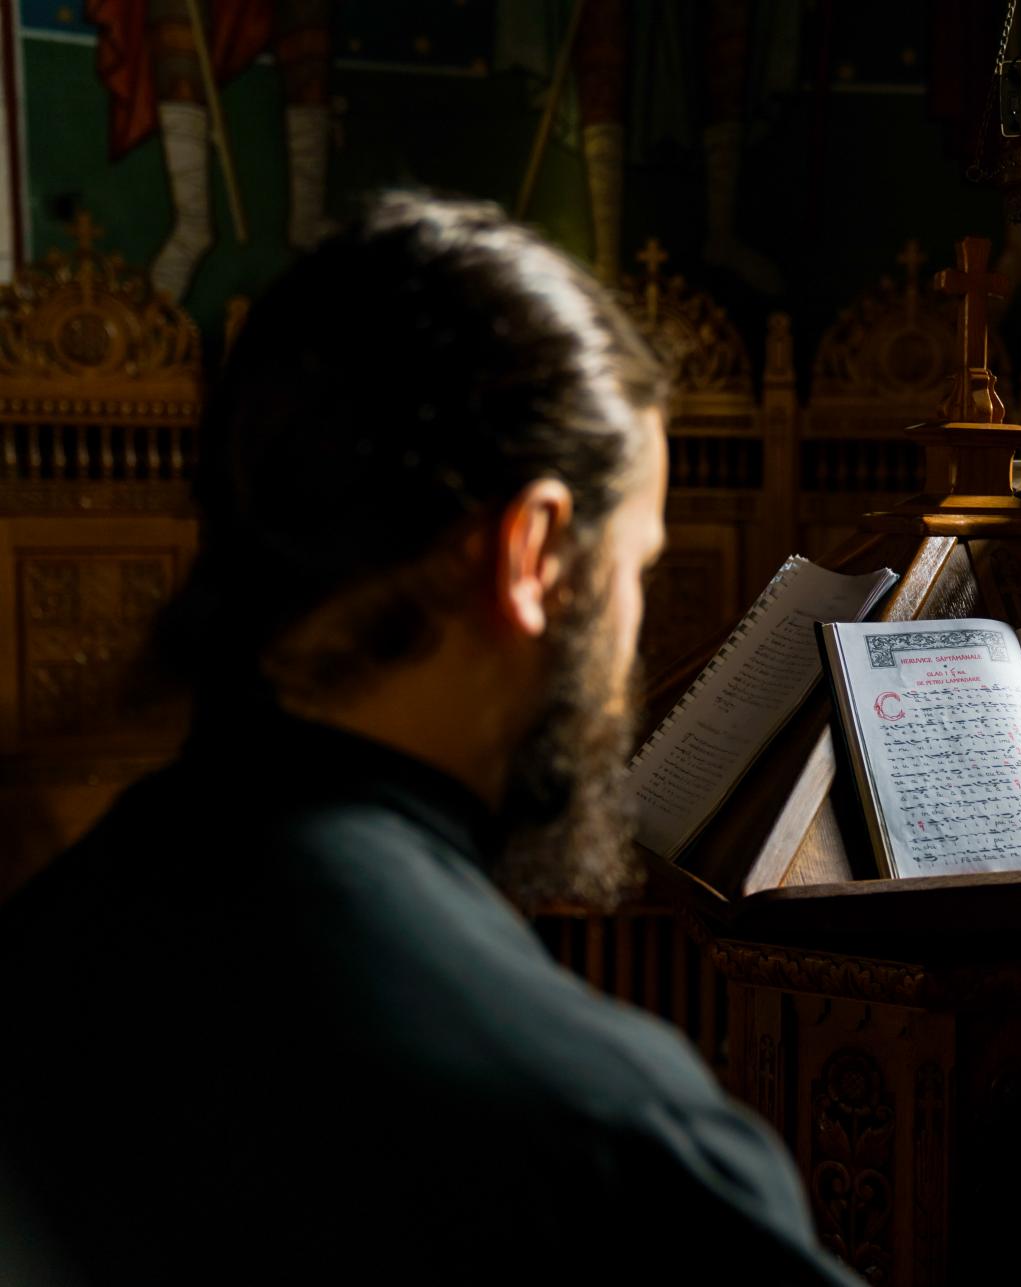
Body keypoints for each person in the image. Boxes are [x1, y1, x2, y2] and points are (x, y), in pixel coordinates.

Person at [0, 193, 855, 1284]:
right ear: (532, 551)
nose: (635, 636)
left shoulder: (37, 951)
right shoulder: (604, 1139)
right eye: (638, 567)